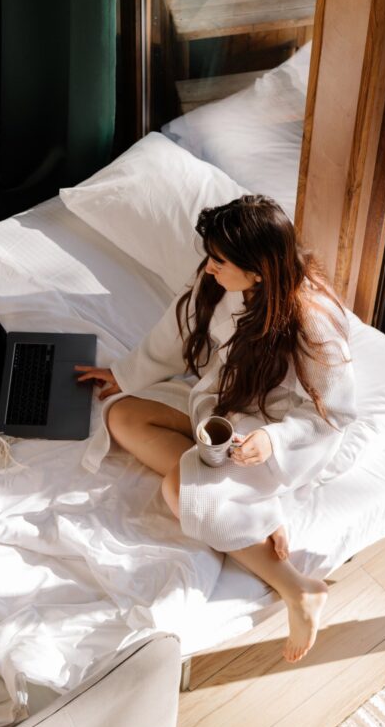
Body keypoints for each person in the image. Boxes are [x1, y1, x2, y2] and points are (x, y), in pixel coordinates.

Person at [75, 195, 356, 663]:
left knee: (179, 491)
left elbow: (335, 414)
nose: (209, 267)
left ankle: (298, 589)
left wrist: (272, 441)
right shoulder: (224, 280)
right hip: (222, 405)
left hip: (270, 434)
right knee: (122, 416)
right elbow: (180, 325)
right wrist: (124, 374)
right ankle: (244, 498)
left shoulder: (313, 323)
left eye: (220, 260)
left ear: (258, 271)